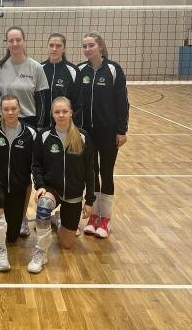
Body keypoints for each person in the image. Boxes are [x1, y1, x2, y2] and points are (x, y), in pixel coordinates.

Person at [0, 26, 49, 237]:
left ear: (24, 41)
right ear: (7, 43)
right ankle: (3, 213)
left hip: (28, 123)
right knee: (2, 170)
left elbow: (42, 100)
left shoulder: (36, 67)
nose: (14, 43)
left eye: (18, 40)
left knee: (23, 174)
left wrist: (39, 128)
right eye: (11, 40)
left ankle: (22, 216)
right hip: (4, 122)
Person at [28, 96, 95, 273]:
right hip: (52, 188)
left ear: (71, 113)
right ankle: (41, 251)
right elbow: (36, 165)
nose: (61, 115)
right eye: (57, 112)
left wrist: (89, 200)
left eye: (65, 111)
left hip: (73, 193)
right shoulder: (44, 136)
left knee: (67, 244)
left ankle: (58, 220)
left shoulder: (82, 136)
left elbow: (90, 171)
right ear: (52, 114)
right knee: (43, 206)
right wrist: (40, 186)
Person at [78, 31, 129, 238]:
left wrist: (121, 130)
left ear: (100, 47)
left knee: (106, 173)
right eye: (84, 46)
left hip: (108, 132)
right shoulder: (80, 70)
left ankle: (105, 219)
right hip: (87, 133)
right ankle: (93, 216)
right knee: (91, 174)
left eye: (91, 45)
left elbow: (122, 102)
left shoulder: (113, 70)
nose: (87, 49)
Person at [0, 95, 37, 271]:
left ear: (19, 109)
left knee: (13, 237)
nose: (10, 112)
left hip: (17, 185)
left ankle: (8, 223)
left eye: (13, 109)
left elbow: (35, 162)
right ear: (1, 110)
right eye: (6, 109)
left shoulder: (30, 133)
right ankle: (0, 249)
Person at [40, 33, 81, 128]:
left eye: (58, 46)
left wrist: (75, 125)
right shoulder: (39, 69)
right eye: (51, 45)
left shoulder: (73, 70)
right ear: (47, 47)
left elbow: (78, 102)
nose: (54, 49)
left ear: (64, 48)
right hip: (43, 125)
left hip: (65, 125)